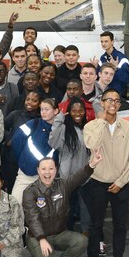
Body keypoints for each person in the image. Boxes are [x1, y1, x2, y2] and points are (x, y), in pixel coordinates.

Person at [83, 89, 129, 257]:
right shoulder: (91, 126)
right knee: (95, 225)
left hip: (120, 185)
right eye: (108, 100)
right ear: (102, 103)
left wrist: (122, 182)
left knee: (120, 225)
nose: (113, 103)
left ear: (120, 104)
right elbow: (92, 145)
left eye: (116, 100)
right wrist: (102, 121)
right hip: (98, 183)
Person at [24, 154, 101, 257]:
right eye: (43, 169)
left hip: (59, 234)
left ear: (56, 170)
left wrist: (92, 165)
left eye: (51, 169)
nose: (47, 172)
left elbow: (78, 177)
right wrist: (42, 238)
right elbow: (32, 218)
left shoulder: (63, 185)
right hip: (37, 236)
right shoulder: (30, 191)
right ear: (38, 170)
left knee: (82, 241)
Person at [49, 98, 92, 233]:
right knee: (67, 212)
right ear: (69, 112)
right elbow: (53, 143)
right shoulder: (63, 128)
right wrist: (58, 119)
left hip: (84, 179)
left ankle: (86, 238)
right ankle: (66, 239)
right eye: (74, 111)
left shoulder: (88, 128)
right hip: (67, 179)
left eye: (80, 111)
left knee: (86, 211)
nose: (77, 113)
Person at [12, 98, 58, 203]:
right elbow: (16, 142)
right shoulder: (33, 123)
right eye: (41, 109)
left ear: (56, 111)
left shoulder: (60, 129)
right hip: (26, 175)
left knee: (41, 210)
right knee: (15, 204)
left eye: (47, 109)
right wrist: (24, 161)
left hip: (47, 177)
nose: (43, 112)